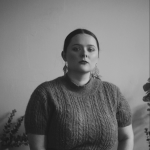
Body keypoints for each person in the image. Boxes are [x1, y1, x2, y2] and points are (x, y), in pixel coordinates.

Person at [24, 28, 134, 150]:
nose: (84, 54)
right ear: (64, 55)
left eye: (91, 49)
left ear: (97, 56)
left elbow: (126, 137)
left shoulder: (113, 93)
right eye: (76, 48)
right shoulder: (44, 94)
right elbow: (38, 147)